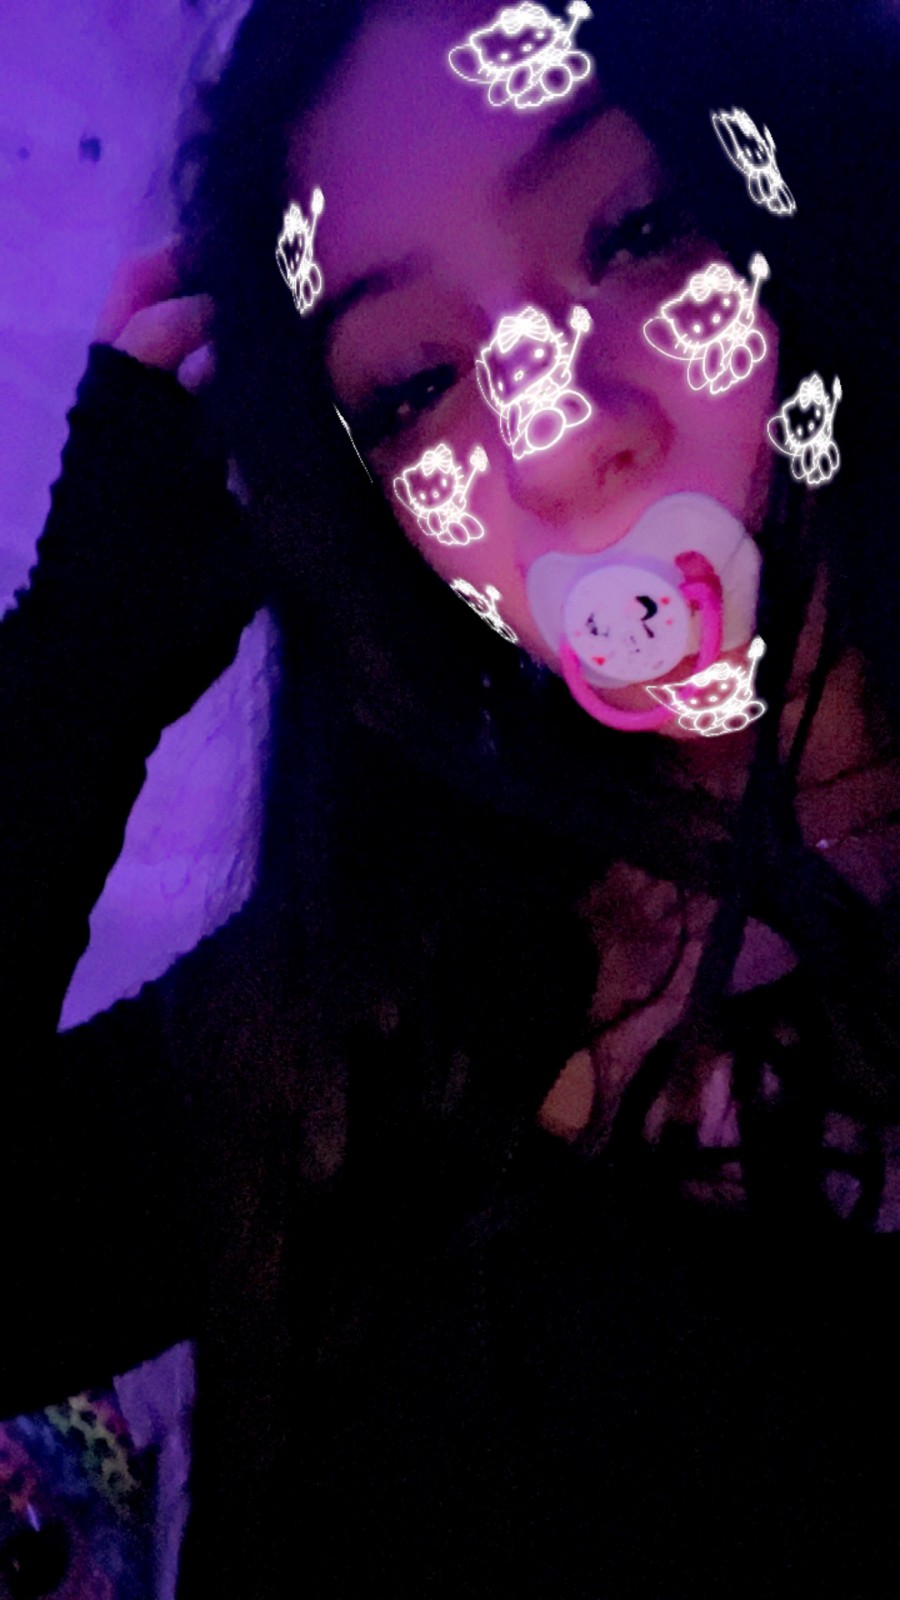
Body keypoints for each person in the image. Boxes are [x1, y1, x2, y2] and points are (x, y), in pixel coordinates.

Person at [3, 0, 900, 1594]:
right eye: (415, 385)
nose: (558, 446)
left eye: (639, 230)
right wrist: (81, 659)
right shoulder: (375, 1003)